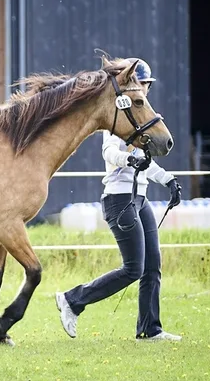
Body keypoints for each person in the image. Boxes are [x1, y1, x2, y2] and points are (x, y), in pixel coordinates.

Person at [54, 60, 183, 342]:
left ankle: (150, 329)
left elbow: (146, 163)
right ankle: (73, 299)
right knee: (133, 268)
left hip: (140, 198)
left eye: (146, 85)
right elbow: (110, 153)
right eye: (143, 84)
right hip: (120, 199)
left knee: (152, 266)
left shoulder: (141, 119)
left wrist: (169, 180)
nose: (145, 90)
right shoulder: (119, 118)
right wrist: (129, 159)